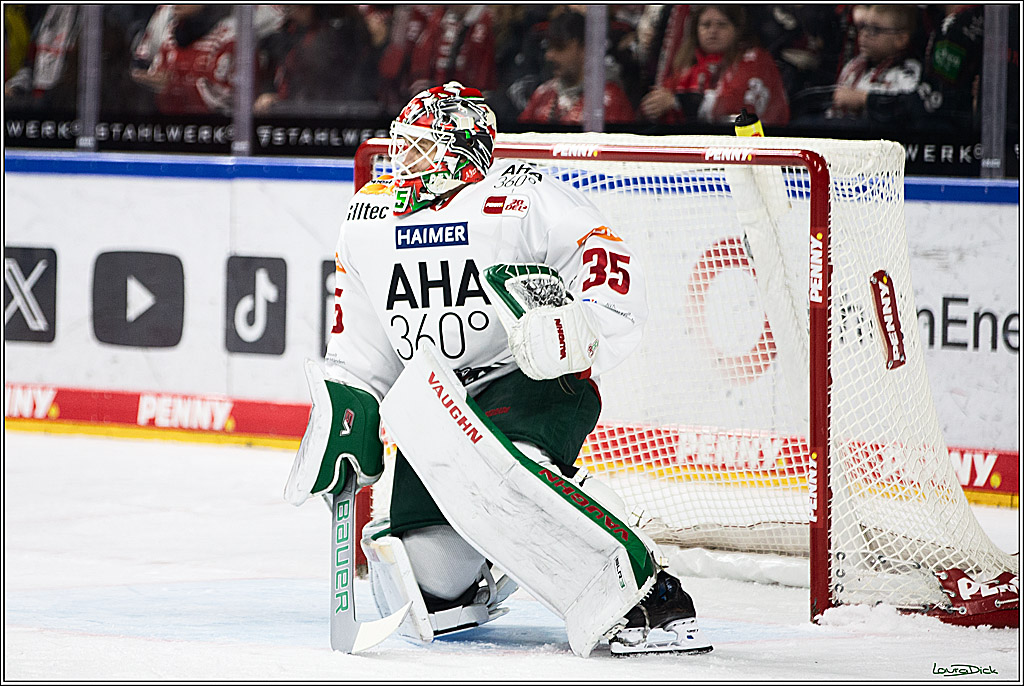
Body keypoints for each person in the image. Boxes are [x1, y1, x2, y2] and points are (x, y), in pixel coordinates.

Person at [284, 81, 711, 658]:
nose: (402, 160)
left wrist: (581, 326)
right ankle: (488, 561)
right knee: (428, 580)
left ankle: (649, 592)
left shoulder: (521, 196)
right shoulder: (365, 223)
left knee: (515, 474)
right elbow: (362, 350)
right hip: (438, 403)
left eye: (420, 147)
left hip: (528, 377)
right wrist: (351, 406)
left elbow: (602, 255)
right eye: (402, 146)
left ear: (461, 151)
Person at [638, 5, 789, 127]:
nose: (713, 31)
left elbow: (735, 108)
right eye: (706, 25)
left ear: (737, 29)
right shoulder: (687, 67)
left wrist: (680, 102)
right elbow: (660, 99)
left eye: (721, 25)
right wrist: (652, 106)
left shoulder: (755, 60)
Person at [518, 10, 636, 125]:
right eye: (549, 47)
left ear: (585, 49)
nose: (549, 55)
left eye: (560, 47)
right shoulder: (542, 94)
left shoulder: (610, 101)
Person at [825, 4, 922, 121]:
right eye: (863, 27)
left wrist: (862, 99)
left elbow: (904, 112)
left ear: (900, 39)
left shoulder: (907, 72)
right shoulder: (853, 67)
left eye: (875, 29)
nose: (864, 34)